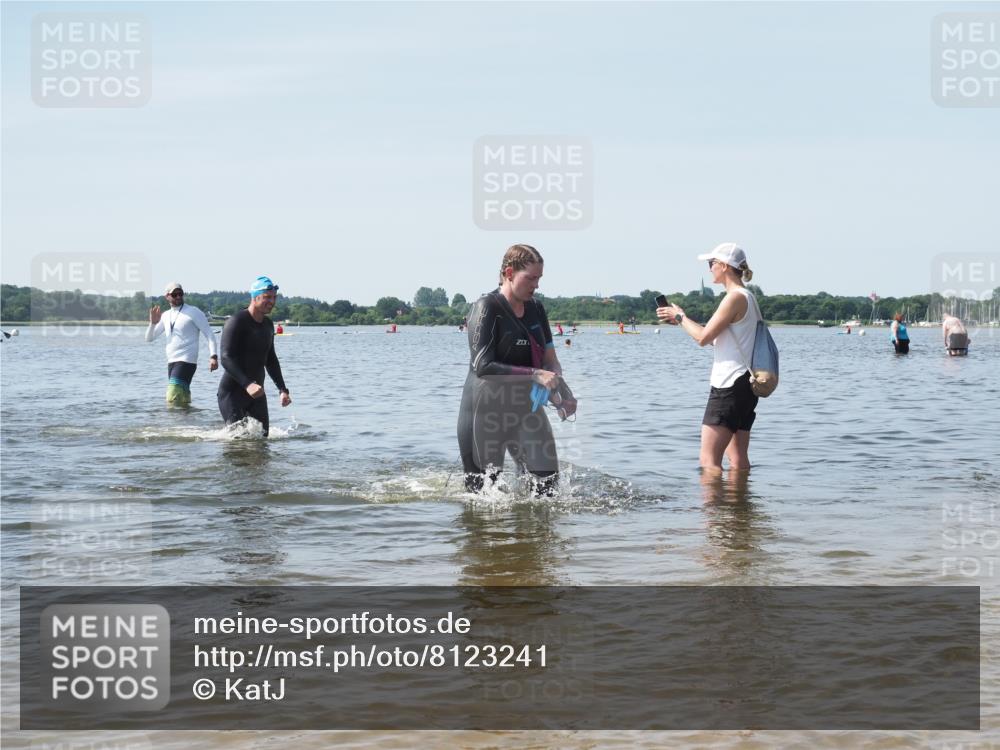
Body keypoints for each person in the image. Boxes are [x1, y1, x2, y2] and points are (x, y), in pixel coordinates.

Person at [457, 244, 577, 494]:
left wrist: (559, 388)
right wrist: (535, 375)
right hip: (484, 413)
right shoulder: (486, 307)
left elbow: (550, 360)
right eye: (531, 278)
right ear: (509, 273)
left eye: (539, 278)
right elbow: (483, 366)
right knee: (484, 497)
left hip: (525, 410)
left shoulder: (536, 308)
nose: (536, 285)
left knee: (548, 490)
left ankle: (535, 534)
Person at [657, 242, 760, 473]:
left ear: (724, 266)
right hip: (746, 384)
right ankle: (740, 508)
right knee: (738, 458)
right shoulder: (748, 297)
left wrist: (680, 316)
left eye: (711, 263)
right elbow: (712, 338)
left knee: (709, 461)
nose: (709, 268)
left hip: (728, 385)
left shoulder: (733, 298)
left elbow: (703, 338)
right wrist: (680, 319)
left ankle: (713, 509)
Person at [217, 276, 291, 436]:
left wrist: (282, 389)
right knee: (237, 441)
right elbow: (225, 357)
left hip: (257, 393)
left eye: (274, 298)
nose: (271, 301)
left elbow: (270, 360)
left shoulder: (268, 325)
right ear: (255, 297)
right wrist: (247, 384)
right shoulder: (236, 321)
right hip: (233, 393)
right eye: (267, 297)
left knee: (262, 440)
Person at [146, 282, 218, 406]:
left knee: (172, 395)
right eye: (175, 294)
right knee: (182, 398)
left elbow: (209, 334)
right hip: (171, 362)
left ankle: (172, 424)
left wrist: (213, 356)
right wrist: (152, 323)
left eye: (180, 293)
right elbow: (149, 338)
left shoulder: (194, 312)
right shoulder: (166, 315)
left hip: (186, 361)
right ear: (167, 296)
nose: (178, 296)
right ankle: (186, 423)